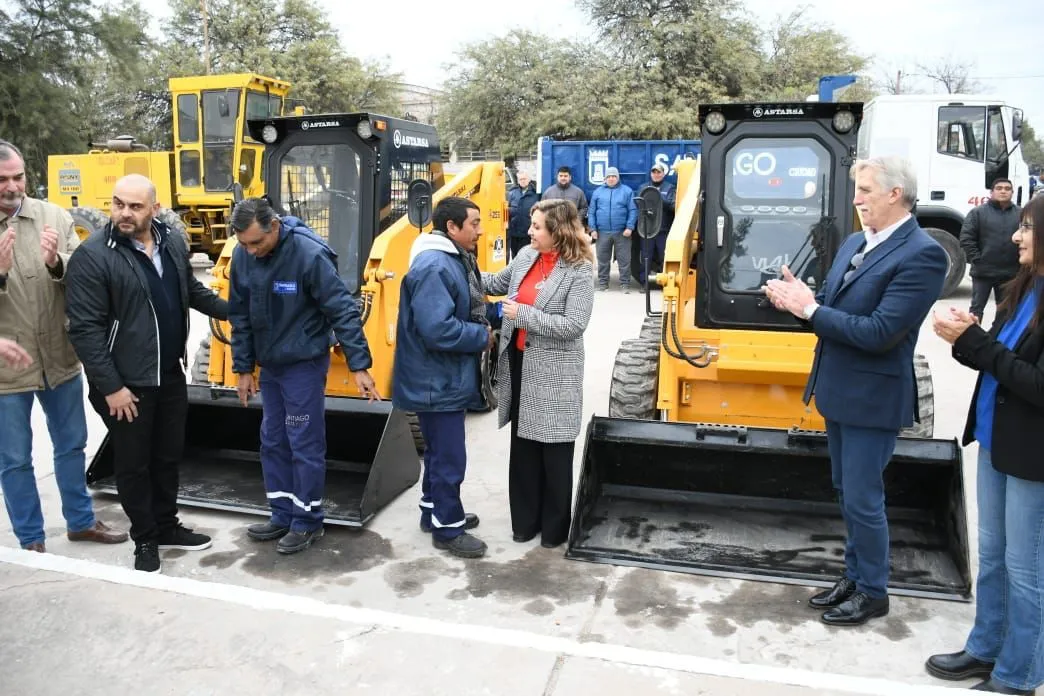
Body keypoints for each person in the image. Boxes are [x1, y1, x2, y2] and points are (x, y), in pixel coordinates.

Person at [764, 156, 948, 626]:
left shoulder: (923, 254)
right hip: (840, 390)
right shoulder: (854, 242)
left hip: (873, 399)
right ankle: (855, 573)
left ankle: (873, 591)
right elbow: (831, 308)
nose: (857, 199)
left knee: (865, 498)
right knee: (847, 492)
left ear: (895, 194)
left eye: (866, 190)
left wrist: (810, 311)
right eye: (856, 190)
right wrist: (798, 299)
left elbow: (879, 331)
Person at [65, 174, 226, 572]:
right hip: (126, 384)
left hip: (169, 374)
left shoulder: (171, 239)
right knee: (133, 464)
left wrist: (238, 309)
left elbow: (191, 291)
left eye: (135, 206)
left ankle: (168, 525)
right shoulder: (94, 256)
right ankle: (146, 538)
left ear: (154, 208)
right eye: (118, 203)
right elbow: (84, 331)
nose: (124, 212)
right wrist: (112, 387)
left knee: (168, 455)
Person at [926, 195, 1044, 695]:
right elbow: (998, 358)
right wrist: (967, 336)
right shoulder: (1025, 287)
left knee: (1026, 568)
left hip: (1031, 457)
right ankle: (986, 646)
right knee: (992, 556)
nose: (1016, 236)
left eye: (1027, 228)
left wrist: (978, 345)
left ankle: (1020, 672)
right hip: (997, 441)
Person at [228, 198, 378, 556]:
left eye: (256, 243)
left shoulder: (309, 255)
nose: (250, 251)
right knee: (272, 438)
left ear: (274, 228)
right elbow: (240, 315)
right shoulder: (243, 256)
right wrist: (243, 367)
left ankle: (308, 519)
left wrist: (359, 365)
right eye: (244, 244)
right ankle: (281, 513)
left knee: (302, 439)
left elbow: (342, 309)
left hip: (303, 366)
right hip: (270, 366)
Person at [0, 139, 128, 553]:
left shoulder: (53, 215)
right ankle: (31, 540)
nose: (13, 187)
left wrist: (58, 262)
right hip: (7, 371)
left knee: (72, 445)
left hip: (59, 357)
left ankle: (81, 521)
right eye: (3, 180)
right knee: (15, 460)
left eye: (18, 177)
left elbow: (86, 277)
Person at [482, 199, 594, 547]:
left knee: (555, 452)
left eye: (536, 227)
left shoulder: (578, 271)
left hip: (555, 373)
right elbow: (492, 281)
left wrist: (523, 315)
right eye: (531, 225)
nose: (529, 231)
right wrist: (455, 263)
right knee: (525, 448)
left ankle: (554, 529)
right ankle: (525, 523)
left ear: (557, 232)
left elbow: (574, 326)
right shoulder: (526, 258)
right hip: (520, 365)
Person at [392, 196, 490, 559]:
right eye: (474, 223)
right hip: (437, 380)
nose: (479, 231)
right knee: (449, 455)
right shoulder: (436, 266)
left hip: (437, 377)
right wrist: (483, 336)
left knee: (436, 451)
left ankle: (432, 510)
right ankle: (448, 529)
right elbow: (438, 329)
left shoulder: (449, 259)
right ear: (451, 227)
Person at [960, 178, 1021, 321]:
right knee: (976, 311)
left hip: (1010, 273)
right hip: (983, 272)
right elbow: (966, 239)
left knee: (1005, 312)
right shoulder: (978, 213)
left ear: (1012, 192)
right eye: (999, 188)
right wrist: (977, 259)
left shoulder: (1021, 214)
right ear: (991, 192)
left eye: (1007, 189)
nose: (1003, 191)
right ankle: (972, 341)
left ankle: (998, 341)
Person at [588, 166, 637, 292]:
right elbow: (592, 211)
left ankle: (625, 284)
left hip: (622, 232)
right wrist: (593, 229)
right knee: (603, 260)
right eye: (609, 176)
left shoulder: (627, 191)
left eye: (613, 176)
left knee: (624, 259)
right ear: (605, 178)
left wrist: (629, 227)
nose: (611, 179)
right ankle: (603, 284)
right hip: (602, 232)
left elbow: (633, 210)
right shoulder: (598, 192)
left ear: (618, 178)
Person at [636, 162, 675, 291]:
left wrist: (657, 197)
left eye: (659, 172)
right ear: (651, 174)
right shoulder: (643, 187)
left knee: (665, 257)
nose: (656, 174)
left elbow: (672, 205)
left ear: (663, 174)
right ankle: (644, 283)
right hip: (647, 229)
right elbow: (638, 205)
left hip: (663, 229)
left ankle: (666, 283)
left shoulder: (670, 188)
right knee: (646, 256)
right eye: (654, 172)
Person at [507, 170, 539, 260]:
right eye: (520, 179)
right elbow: (506, 208)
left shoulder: (535, 193)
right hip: (514, 232)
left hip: (528, 232)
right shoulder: (512, 193)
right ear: (517, 181)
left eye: (524, 179)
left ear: (529, 179)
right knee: (515, 257)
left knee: (527, 257)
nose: (523, 181)